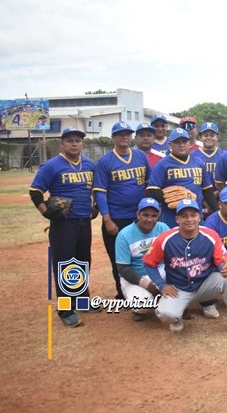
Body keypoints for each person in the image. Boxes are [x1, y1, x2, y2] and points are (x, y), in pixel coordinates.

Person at [143, 199, 227, 336]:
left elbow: (222, 261)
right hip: (179, 290)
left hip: (205, 285)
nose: (189, 219)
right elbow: (148, 263)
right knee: (164, 314)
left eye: (193, 215)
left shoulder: (211, 235)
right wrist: (162, 285)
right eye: (184, 216)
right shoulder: (165, 238)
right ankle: (176, 319)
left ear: (199, 217)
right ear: (177, 219)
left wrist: (225, 267)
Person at [29, 128, 96, 327]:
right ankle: (65, 309)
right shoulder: (52, 165)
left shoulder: (89, 164)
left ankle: (82, 301)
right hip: (63, 224)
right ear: (62, 144)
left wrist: (96, 207)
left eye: (78, 140)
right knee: (65, 265)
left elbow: (97, 189)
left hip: (84, 222)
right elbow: (35, 191)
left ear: (82, 144)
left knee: (83, 262)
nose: (74, 144)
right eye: (69, 140)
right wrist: (46, 212)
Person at [94, 121, 150, 299]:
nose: (124, 136)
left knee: (143, 256)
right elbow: (100, 193)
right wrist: (107, 219)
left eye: (127, 133)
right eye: (120, 134)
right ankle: (123, 293)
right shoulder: (105, 162)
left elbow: (150, 184)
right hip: (117, 218)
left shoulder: (140, 156)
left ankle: (144, 290)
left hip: (140, 217)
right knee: (118, 259)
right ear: (113, 138)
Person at [146, 128, 217, 228]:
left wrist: (216, 210)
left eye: (184, 141)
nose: (181, 144)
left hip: (195, 214)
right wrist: (171, 197)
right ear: (170, 145)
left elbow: (207, 189)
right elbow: (151, 190)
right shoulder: (162, 164)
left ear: (189, 143)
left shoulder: (198, 162)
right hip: (172, 216)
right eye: (177, 142)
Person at [115, 198, 169, 321]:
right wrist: (148, 285)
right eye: (145, 215)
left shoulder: (163, 228)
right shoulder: (124, 235)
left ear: (158, 216)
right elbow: (123, 269)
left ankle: (161, 300)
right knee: (141, 305)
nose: (149, 219)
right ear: (138, 214)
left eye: (154, 216)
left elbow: (171, 256)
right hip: (137, 275)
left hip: (160, 271)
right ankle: (151, 302)